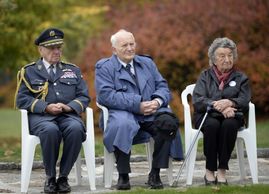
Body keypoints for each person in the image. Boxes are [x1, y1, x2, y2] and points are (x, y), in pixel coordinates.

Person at [95, 29, 183, 190]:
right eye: (124, 45)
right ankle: (123, 175)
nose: (130, 48)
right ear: (114, 49)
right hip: (122, 113)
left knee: (168, 122)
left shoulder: (147, 63)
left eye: (132, 44)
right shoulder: (105, 67)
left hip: (150, 113)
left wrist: (157, 101)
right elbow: (106, 96)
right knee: (123, 123)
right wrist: (138, 105)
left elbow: (162, 86)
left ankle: (155, 173)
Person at [15, 28, 90, 193]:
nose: (57, 51)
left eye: (59, 47)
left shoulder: (73, 70)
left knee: (76, 129)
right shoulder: (29, 71)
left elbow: (84, 97)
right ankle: (50, 178)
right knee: (50, 130)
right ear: (41, 49)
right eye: (52, 48)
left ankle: (63, 177)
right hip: (41, 118)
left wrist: (69, 107)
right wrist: (45, 107)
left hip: (68, 116)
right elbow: (22, 100)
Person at [192, 37, 251, 185]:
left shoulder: (241, 78)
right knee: (212, 126)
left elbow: (245, 100)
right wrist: (218, 105)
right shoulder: (205, 76)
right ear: (213, 59)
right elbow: (198, 100)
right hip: (207, 115)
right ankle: (209, 171)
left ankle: (222, 170)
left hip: (232, 115)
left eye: (230, 55)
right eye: (222, 56)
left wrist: (230, 102)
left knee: (229, 125)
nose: (227, 59)